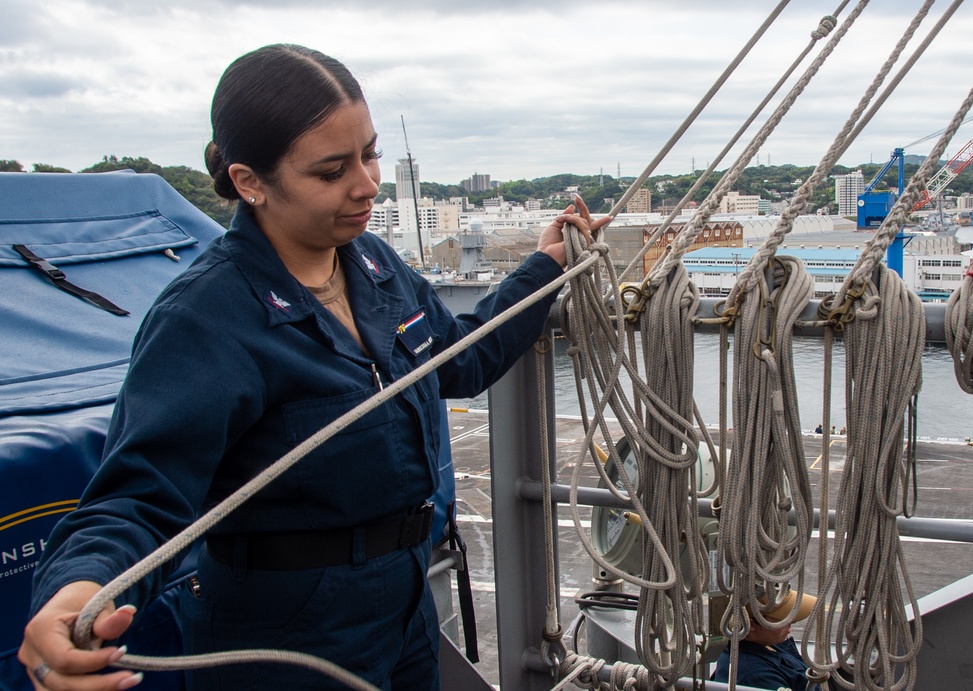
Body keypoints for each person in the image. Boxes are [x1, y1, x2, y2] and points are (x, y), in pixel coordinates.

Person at [18, 44, 610, 691]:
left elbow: (457, 358)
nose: (367, 184)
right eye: (332, 171)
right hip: (288, 635)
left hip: (406, 610)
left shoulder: (372, 264)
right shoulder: (207, 317)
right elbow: (138, 495)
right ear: (250, 182)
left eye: (370, 153)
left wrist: (544, 267)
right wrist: (76, 591)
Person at [712, 590, 817, 691]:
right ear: (751, 624)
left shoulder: (767, 643)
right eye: (783, 619)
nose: (792, 622)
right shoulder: (754, 676)